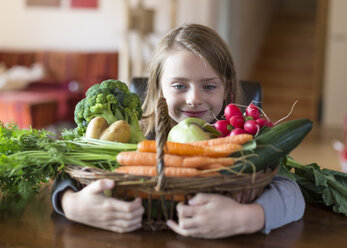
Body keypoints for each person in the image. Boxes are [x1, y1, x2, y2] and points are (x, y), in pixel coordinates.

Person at [52, 23, 305, 238]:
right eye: (179, 86)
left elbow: (293, 195)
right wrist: (71, 204)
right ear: (159, 88)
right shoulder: (136, 135)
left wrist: (247, 217)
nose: (194, 98)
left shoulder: (241, 140)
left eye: (208, 86)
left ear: (227, 88)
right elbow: (69, 170)